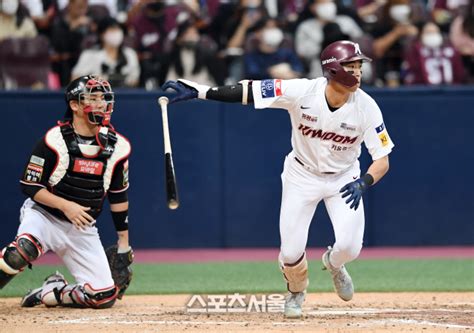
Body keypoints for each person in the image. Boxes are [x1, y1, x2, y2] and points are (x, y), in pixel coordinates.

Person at [161, 40, 394, 318]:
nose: (358, 73)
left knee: (350, 248)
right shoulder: (302, 91)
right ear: (333, 70)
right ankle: (296, 292)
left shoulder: (367, 107)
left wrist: (363, 182)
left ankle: (334, 264)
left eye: (359, 67)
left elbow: (382, 159)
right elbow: (250, 91)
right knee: (291, 251)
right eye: (351, 66)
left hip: (344, 178)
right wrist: (200, 91)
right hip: (301, 174)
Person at [0, 75, 133, 309]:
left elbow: (118, 195)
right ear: (74, 105)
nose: (102, 104)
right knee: (21, 251)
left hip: (82, 227)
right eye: (93, 98)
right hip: (44, 215)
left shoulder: (118, 147)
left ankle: (52, 291)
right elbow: (30, 186)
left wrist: (124, 245)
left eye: (104, 98)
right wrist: (66, 205)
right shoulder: (54, 140)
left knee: (103, 297)